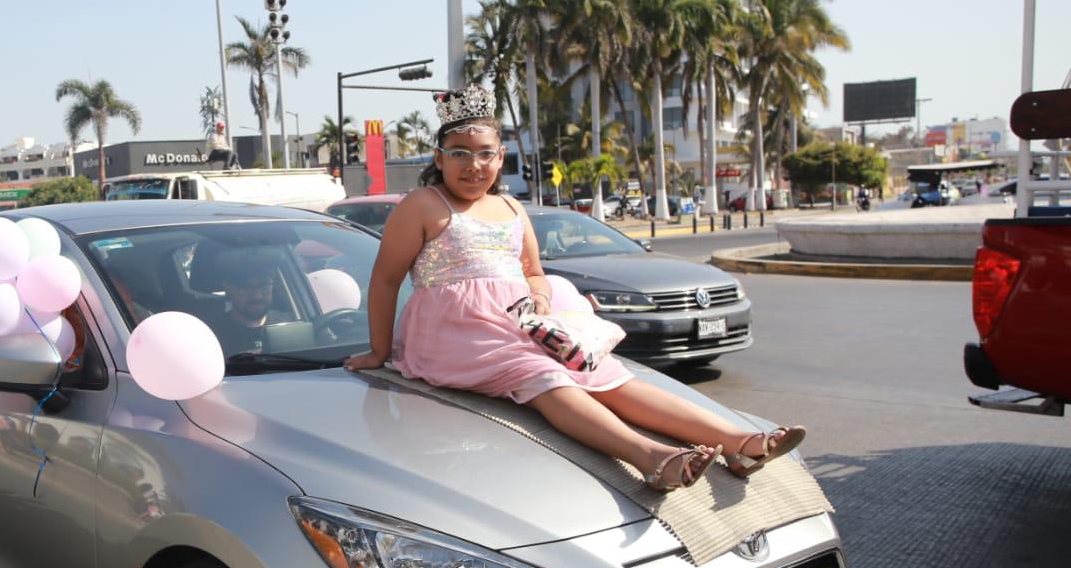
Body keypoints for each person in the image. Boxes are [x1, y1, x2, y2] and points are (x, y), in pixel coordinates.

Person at [343, 86, 805, 492]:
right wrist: (379, 351)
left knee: (609, 378)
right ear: (439, 158)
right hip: (454, 335)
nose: (473, 164)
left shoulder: (510, 207)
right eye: (459, 153)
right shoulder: (423, 204)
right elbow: (385, 280)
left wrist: (541, 301)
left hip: (517, 323)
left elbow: (533, 271)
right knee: (547, 380)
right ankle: (650, 458)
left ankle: (739, 443)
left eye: (485, 152)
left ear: (500, 157)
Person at [203, 249, 293, 356]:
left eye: (264, 286)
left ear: (273, 286)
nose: (257, 295)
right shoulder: (209, 336)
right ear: (228, 288)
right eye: (245, 288)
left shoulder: (292, 326)